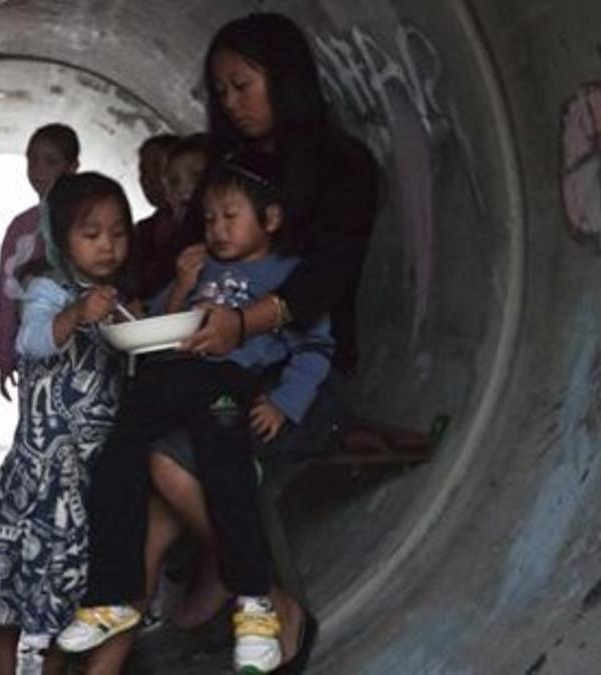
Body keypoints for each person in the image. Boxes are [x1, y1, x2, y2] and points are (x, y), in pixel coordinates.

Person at [87, 12, 383, 674]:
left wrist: (243, 324)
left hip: (299, 378)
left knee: (167, 467)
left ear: (287, 81)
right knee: (148, 484)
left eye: (242, 85)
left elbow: (328, 281)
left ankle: (270, 601)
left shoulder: (343, 167)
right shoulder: (227, 168)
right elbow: (188, 268)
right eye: (220, 91)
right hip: (223, 366)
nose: (231, 103)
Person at [59, 151, 333, 675]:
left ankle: (256, 604)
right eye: (209, 218)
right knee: (119, 457)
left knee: (224, 467)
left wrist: (283, 402)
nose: (217, 228)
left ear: (270, 220)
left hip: (228, 385)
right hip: (173, 379)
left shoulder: (286, 277)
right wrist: (183, 284)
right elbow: (161, 325)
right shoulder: (202, 266)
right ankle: (110, 598)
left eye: (231, 217)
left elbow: (315, 348)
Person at [0, 172, 133, 675]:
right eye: (91, 233)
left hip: (88, 465)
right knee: (13, 564)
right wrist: (76, 313)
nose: (106, 246)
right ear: (60, 233)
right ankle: (4, 658)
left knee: (74, 571)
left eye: (118, 234)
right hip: (39, 466)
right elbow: (31, 342)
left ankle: (54, 661)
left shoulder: (113, 295)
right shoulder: (47, 290)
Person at [0, 123, 81, 401]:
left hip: (83, 348)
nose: (39, 170)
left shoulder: (88, 217)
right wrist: (5, 353)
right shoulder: (21, 227)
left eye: (51, 162)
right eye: (32, 161)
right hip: (32, 348)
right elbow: (7, 294)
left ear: (72, 167)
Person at [132, 133, 179, 301]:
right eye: (144, 170)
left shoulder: (199, 228)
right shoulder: (143, 231)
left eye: (158, 170)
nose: (148, 179)